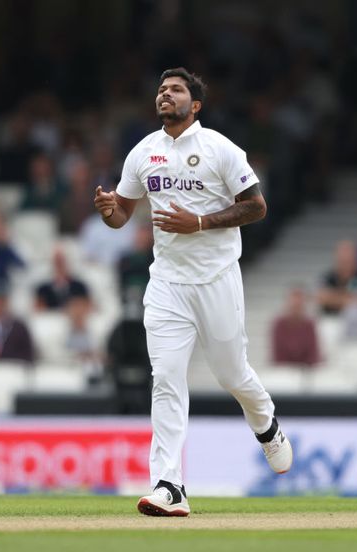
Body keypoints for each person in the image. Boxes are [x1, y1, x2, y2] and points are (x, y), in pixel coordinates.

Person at [94, 68, 292, 517]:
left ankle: (266, 424)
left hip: (216, 278)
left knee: (231, 374)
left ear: (195, 104)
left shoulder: (220, 148)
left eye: (176, 89)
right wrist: (109, 211)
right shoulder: (144, 151)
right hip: (167, 283)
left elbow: (256, 207)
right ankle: (169, 485)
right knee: (166, 380)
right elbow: (122, 214)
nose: (165, 94)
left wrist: (200, 223)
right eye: (162, 89)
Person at [271, 286, 321, 367]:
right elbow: (278, 353)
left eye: (299, 304)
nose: (296, 306)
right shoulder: (279, 324)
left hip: (306, 369)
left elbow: (313, 353)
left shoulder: (310, 324)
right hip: (284, 369)